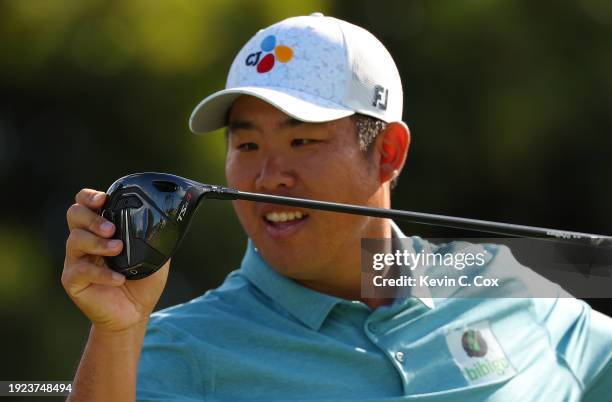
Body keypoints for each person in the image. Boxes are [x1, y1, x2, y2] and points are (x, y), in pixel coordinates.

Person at [62, 13, 612, 402]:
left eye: (303, 142)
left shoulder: (510, 279)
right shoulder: (171, 348)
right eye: (247, 145)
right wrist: (116, 335)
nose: (269, 176)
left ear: (388, 154)